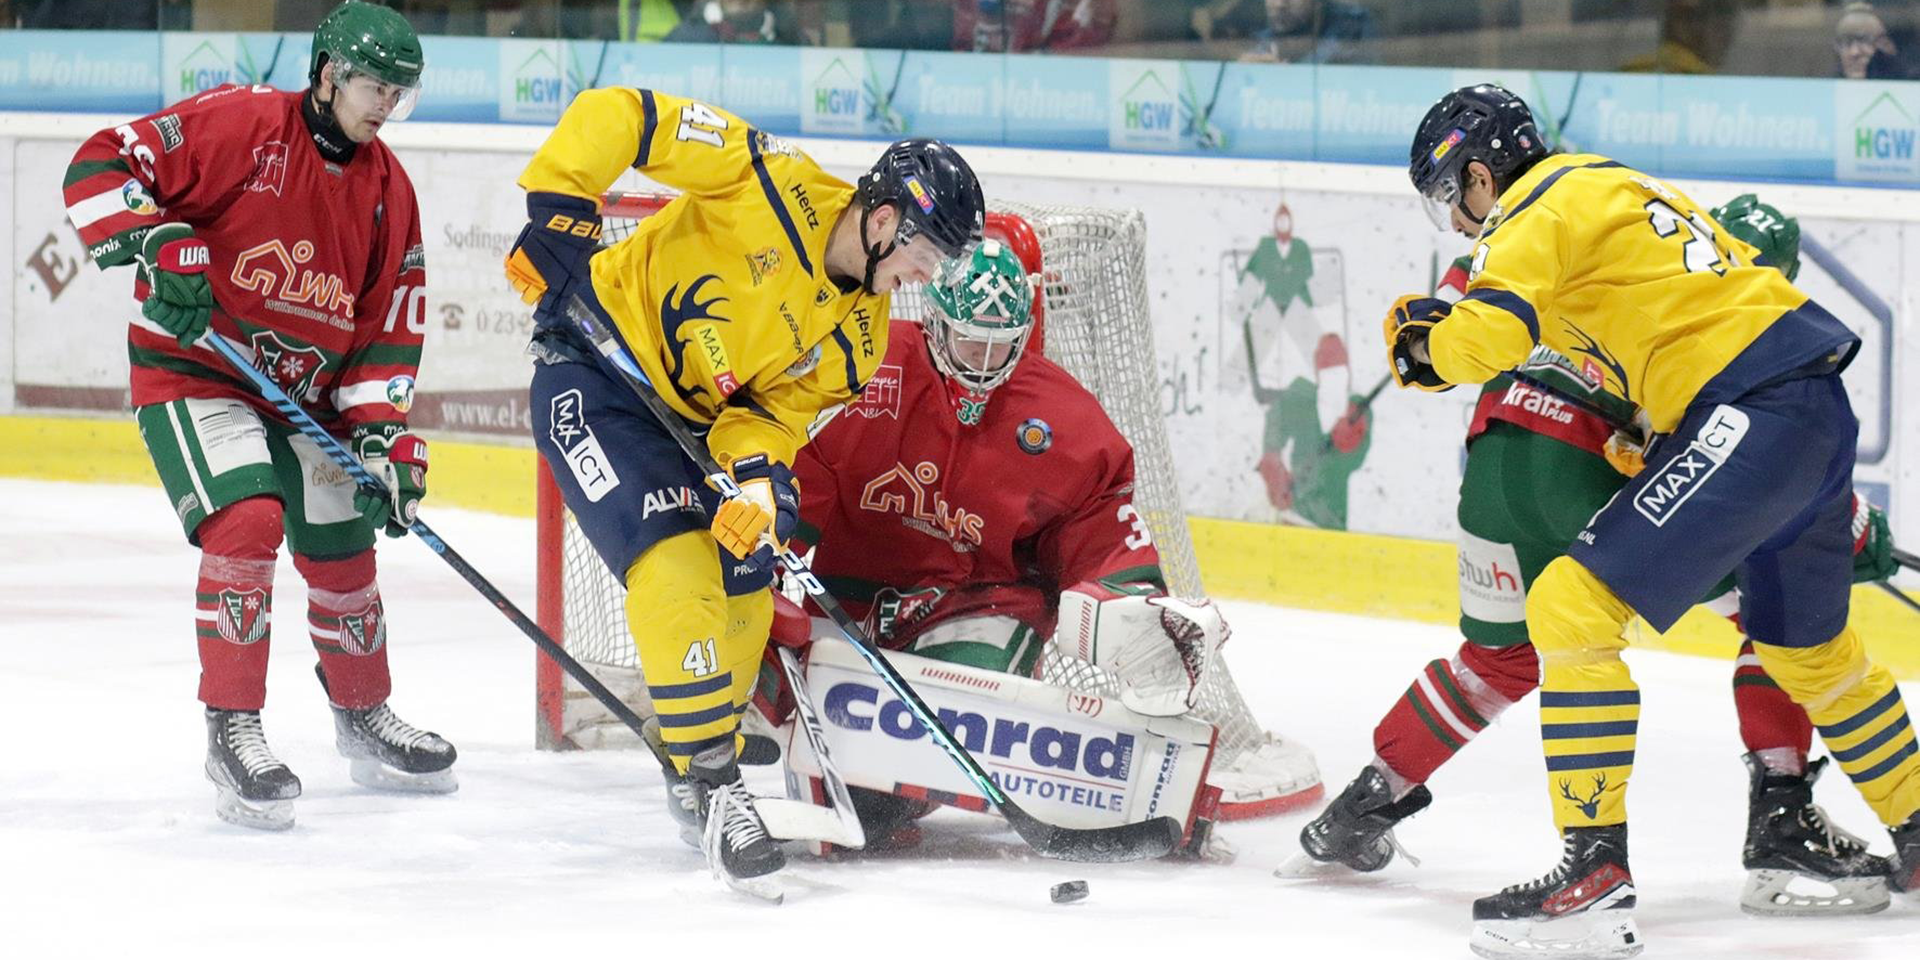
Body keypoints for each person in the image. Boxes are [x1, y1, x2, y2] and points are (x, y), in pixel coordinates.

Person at [1387, 84, 1920, 956]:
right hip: (1810, 405)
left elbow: (1480, 343)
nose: (1457, 224)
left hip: (1749, 411)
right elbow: (1681, 326)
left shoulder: (1532, 205)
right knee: (1808, 652)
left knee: (1567, 609)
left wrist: (1419, 345)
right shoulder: (1621, 184)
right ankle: (1919, 830)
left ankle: (1594, 872)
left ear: (1482, 174)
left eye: (1454, 197)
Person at [1293, 193, 1900, 919]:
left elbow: (1461, 294)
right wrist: (1843, 524)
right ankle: (1780, 808)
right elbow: (1706, 451)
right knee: (1770, 620)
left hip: (1494, 469)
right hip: (1588, 472)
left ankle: (1365, 799)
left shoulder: (1577, 245)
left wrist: (1433, 337)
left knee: (1495, 660)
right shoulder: (1716, 307)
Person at [507, 88, 983, 887]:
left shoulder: (860, 339)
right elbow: (625, 115)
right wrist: (561, 204)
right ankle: (717, 785)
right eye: (922, 256)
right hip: (592, 378)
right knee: (674, 571)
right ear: (884, 219)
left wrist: (760, 484)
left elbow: (767, 417)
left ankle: (697, 763)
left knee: (748, 583)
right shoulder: (767, 176)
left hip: (688, 430)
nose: (919, 279)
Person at [60, 1, 453, 832]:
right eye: (375, 86)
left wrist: (382, 440)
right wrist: (155, 237)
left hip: (302, 399)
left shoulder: (390, 191)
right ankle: (233, 724)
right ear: (328, 74)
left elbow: (388, 326)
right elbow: (104, 160)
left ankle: (361, 710)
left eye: (400, 94)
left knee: (345, 543)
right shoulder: (243, 123)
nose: (386, 106)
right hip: (196, 371)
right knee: (247, 520)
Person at [766, 239, 1236, 848]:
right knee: (755, 665)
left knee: (904, 767)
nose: (984, 362)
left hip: (975, 606)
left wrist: (1134, 603)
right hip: (846, 602)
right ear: (934, 321)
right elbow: (799, 477)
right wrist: (767, 568)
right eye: (970, 341)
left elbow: (1098, 524)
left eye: (1001, 344)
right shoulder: (864, 366)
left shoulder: (1063, 418)